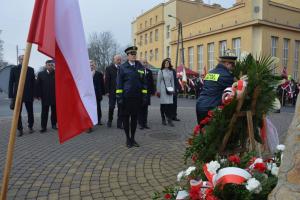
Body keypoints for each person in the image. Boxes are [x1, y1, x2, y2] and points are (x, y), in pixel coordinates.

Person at [116, 46, 147, 148]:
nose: (134, 56)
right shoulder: (122, 67)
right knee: (125, 119)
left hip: (137, 98)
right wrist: (119, 98)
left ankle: (133, 138)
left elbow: (144, 83)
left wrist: (144, 96)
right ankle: (127, 139)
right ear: (128, 56)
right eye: (132, 54)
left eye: (135, 54)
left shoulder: (140, 66)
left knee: (134, 119)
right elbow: (119, 84)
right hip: (126, 98)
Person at [196, 52, 237, 124]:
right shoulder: (226, 75)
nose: (232, 69)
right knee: (213, 133)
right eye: (232, 66)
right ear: (227, 64)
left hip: (200, 105)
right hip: (212, 108)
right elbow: (235, 90)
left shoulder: (210, 73)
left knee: (202, 131)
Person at [8, 55, 36, 136]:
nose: (23, 60)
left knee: (30, 112)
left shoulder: (31, 69)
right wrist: (11, 95)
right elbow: (11, 83)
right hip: (18, 94)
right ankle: (20, 129)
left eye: (25, 59)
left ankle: (30, 126)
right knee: (17, 113)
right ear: (19, 60)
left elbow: (33, 83)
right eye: (21, 59)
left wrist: (34, 94)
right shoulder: (14, 69)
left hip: (28, 94)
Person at [36, 60, 57, 133]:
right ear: (46, 65)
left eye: (52, 65)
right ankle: (43, 127)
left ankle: (54, 124)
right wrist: (38, 95)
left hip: (55, 96)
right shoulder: (41, 74)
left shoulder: (56, 73)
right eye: (49, 65)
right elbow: (38, 85)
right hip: (45, 96)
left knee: (54, 112)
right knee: (44, 112)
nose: (50, 66)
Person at [105, 55, 123, 128]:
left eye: (120, 60)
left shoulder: (122, 68)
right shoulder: (109, 68)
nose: (119, 61)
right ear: (114, 60)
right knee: (111, 107)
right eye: (117, 60)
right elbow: (107, 80)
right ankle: (110, 121)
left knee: (120, 107)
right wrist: (107, 91)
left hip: (121, 92)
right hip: (112, 91)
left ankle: (119, 123)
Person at [156, 58, 175, 127]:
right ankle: (163, 118)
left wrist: (173, 89)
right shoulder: (161, 71)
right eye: (166, 63)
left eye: (168, 63)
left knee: (169, 105)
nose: (167, 64)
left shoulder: (171, 71)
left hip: (169, 89)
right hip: (163, 90)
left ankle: (169, 119)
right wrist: (158, 91)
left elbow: (172, 81)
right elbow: (158, 82)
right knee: (163, 105)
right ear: (163, 64)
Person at [138, 59, 155, 129]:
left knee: (146, 108)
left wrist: (152, 91)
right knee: (140, 108)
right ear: (141, 64)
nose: (145, 64)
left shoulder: (149, 71)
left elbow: (151, 82)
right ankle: (140, 123)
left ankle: (145, 123)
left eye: (146, 63)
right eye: (143, 62)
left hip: (147, 93)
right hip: (140, 93)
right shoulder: (138, 71)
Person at [91, 60, 105, 126]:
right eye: (90, 65)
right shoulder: (85, 74)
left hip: (97, 94)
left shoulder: (99, 74)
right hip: (89, 94)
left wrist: (103, 92)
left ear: (95, 66)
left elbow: (102, 84)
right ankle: (91, 120)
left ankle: (98, 120)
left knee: (98, 107)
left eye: (92, 65)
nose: (91, 66)